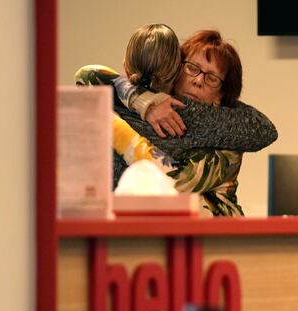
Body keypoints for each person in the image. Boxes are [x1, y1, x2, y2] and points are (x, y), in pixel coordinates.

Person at [77, 26, 278, 216]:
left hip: (218, 237)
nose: (198, 80)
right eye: (193, 68)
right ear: (176, 69)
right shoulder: (134, 103)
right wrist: (144, 101)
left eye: (212, 78)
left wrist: (109, 122)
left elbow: (171, 185)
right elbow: (87, 74)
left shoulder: (230, 136)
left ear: (220, 95)